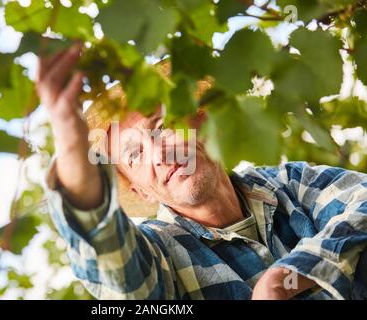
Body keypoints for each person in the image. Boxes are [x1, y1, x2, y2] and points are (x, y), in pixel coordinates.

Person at [37, 44, 367, 300]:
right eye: (134, 154)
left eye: (163, 127)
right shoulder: (160, 253)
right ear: (141, 191)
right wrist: (68, 135)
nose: (160, 152)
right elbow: (118, 273)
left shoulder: (289, 183)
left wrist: (285, 277)